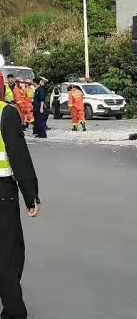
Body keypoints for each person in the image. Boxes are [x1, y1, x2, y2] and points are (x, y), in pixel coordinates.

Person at [0, 99, 41, 319]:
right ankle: (14, 313)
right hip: (2, 193)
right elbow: (18, 156)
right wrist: (30, 194)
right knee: (8, 255)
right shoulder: (4, 112)